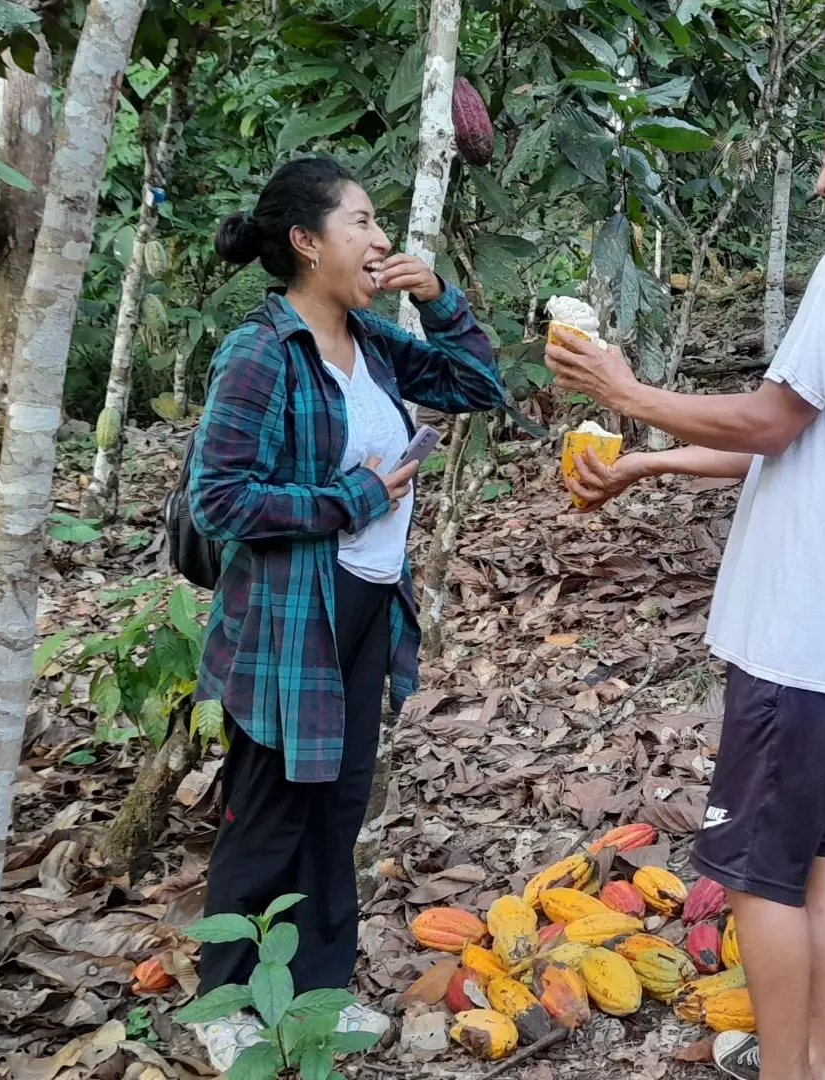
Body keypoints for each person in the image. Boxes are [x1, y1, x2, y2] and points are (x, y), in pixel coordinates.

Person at [545, 71, 825, 1080]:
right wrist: (645, 457)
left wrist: (624, 388)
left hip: (800, 631)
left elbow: (770, 420)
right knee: (819, 853)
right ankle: (814, 1063)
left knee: (757, 878)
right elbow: (797, 440)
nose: (821, 181)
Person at [184, 156, 506, 1071]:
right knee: (271, 809)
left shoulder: (369, 339)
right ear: (306, 242)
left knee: (337, 808)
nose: (378, 239)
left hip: (369, 608)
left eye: (378, 223)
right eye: (361, 222)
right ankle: (224, 1000)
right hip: (291, 620)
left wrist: (440, 299)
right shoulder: (261, 350)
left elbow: (479, 388)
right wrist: (353, 498)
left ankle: (320, 993)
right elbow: (222, 498)